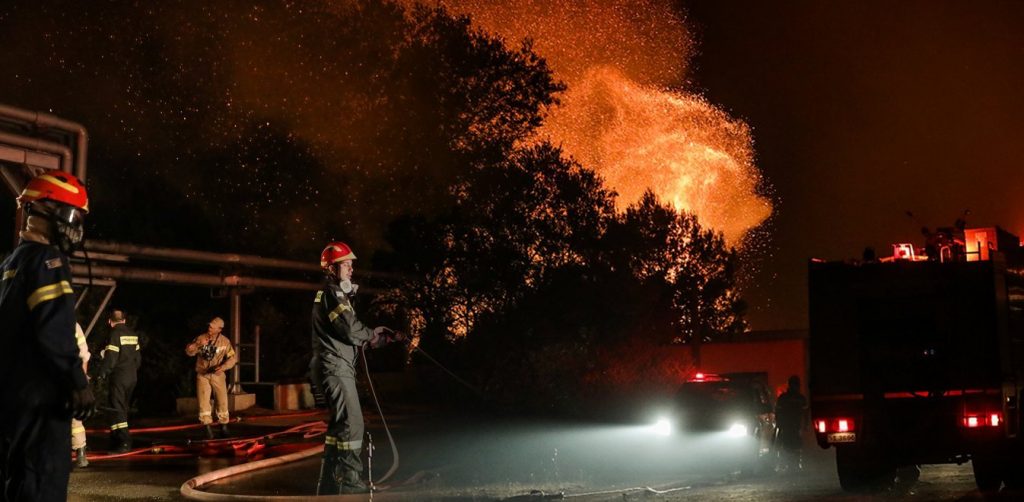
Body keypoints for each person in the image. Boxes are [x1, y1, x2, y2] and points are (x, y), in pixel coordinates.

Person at [0, 171, 95, 501]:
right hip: (42, 399)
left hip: (16, 397)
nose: (74, 226)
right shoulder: (47, 259)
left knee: (20, 480)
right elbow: (52, 327)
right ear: (38, 212)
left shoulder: (12, 263)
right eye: (70, 215)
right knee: (43, 482)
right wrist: (76, 382)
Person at [311, 241, 404, 494]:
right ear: (332, 268)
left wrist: (377, 337)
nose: (351, 270)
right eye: (346, 265)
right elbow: (351, 330)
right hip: (335, 367)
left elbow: (350, 332)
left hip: (332, 365)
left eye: (352, 265)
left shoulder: (331, 294)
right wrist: (371, 335)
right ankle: (350, 485)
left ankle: (328, 483)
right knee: (353, 424)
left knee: (338, 428)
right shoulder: (333, 293)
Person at [95, 309, 141, 453]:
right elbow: (138, 359)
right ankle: (115, 439)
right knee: (121, 407)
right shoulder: (133, 335)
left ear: (110, 321)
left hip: (119, 376)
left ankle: (124, 442)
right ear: (125, 320)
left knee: (117, 408)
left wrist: (101, 374)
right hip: (132, 376)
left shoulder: (114, 334)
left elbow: (111, 358)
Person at [185, 317, 237, 439]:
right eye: (209, 326)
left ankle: (223, 426)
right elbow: (189, 352)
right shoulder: (201, 338)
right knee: (203, 402)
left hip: (218, 375)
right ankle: (207, 428)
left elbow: (233, 358)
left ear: (219, 329)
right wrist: (197, 344)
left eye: (213, 327)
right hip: (203, 375)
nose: (209, 328)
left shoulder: (225, 342)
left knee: (222, 400)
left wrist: (223, 367)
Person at [774, 375, 808, 473]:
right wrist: (805, 425)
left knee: (789, 446)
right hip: (793, 426)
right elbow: (805, 413)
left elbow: (777, 411)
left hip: (789, 426)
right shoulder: (800, 398)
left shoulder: (783, 398)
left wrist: (778, 424)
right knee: (793, 446)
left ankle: (792, 465)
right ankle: (793, 466)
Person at [72, 323, 91, 467]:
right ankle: (81, 453)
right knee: (74, 418)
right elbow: (83, 355)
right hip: (71, 376)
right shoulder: (73, 324)